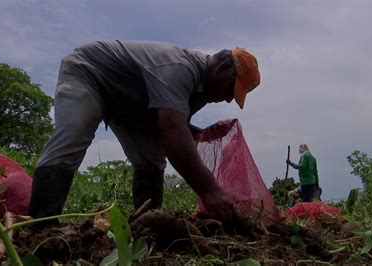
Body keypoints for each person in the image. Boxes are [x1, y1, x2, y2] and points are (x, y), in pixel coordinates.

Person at [28, 40, 260, 227]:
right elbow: (170, 127)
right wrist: (210, 192)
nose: (229, 98)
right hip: (91, 74)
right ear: (220, 69)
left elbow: (171, 124)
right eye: (231, 88)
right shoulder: (181, 68)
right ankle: (40, 225)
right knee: (74, 136)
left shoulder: (201, 92)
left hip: (132, 105)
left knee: (152, 161)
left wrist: (201, 133)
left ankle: (147, 226)